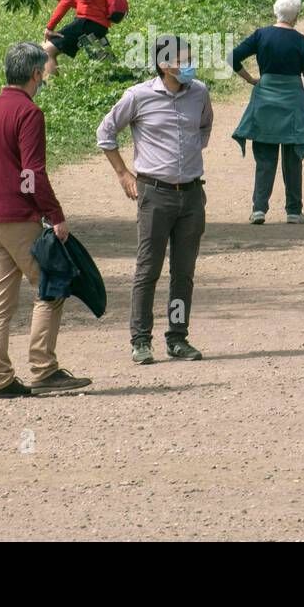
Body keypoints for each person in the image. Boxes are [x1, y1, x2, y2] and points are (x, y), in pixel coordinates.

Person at [0, 42, 90, 397]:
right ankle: (44, 368)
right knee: (52, 286)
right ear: (35, 73)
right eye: (45, 70)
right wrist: (53, 214)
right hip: (17, 215)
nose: (47, 76)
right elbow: (31, 171)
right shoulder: (28, 113)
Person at [97, 34, 212, 365]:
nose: (190, 65)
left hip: (191, 195)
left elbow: (204, 128)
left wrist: (187, 153)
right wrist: (123, 174)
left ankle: (177, 338)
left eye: (191, 58)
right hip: (154, 194)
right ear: (164, 64)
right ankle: (141, 340)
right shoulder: (138, 96)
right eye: (183, 59)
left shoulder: (199, 93)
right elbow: (105, 134)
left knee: (183, 272)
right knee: (148, 269)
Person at [230, 0, 304, 224]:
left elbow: (233, 57)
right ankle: (293, 211)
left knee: (265, 159)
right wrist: (301, 99)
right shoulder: (301, 41)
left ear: (275, 11)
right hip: (292, 103)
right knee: (293, 160)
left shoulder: (261, 35)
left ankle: (259, 209)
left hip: (265, 101)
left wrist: (250, 80)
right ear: (296, 16)